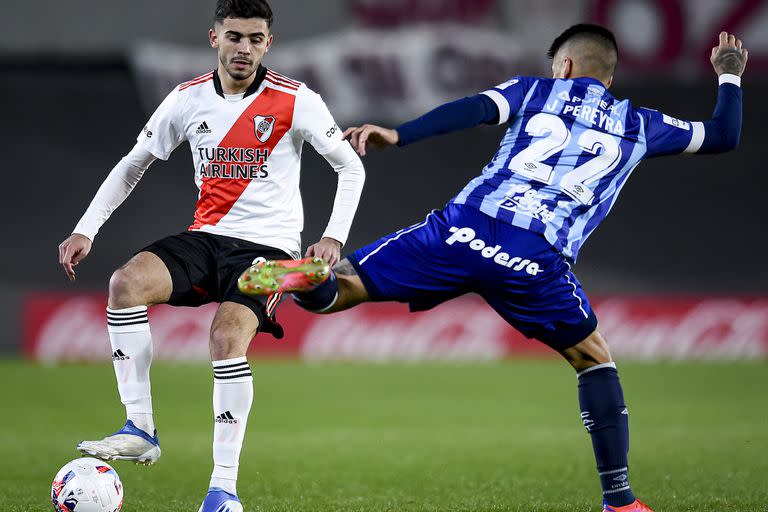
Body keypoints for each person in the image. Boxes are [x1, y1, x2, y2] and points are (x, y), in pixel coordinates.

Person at [238, 25, 747, 512]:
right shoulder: (640, 124)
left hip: (464, 228)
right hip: (535, 257)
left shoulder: (534, 91)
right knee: (595, 359)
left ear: (564, 66)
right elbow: (723, 134)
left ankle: (307, 279)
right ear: (608, 78)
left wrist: (400, 134)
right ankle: (619, 499)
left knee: (344, 285)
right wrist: (728, 74)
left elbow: (475, 108)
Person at [57, 1, 365, 510]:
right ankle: (141, 428)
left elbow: (349, 168)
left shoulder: (297, 100)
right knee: (124, 284)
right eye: (235, 37)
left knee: (225, 337)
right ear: (214, 38)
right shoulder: (187, 99)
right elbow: (133, 164)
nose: (244, 48)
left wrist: (333, 235)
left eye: (255, 39)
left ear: (268, 43)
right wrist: (86, 228)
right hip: (206, 239)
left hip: (270, 253)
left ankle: (223, 491)